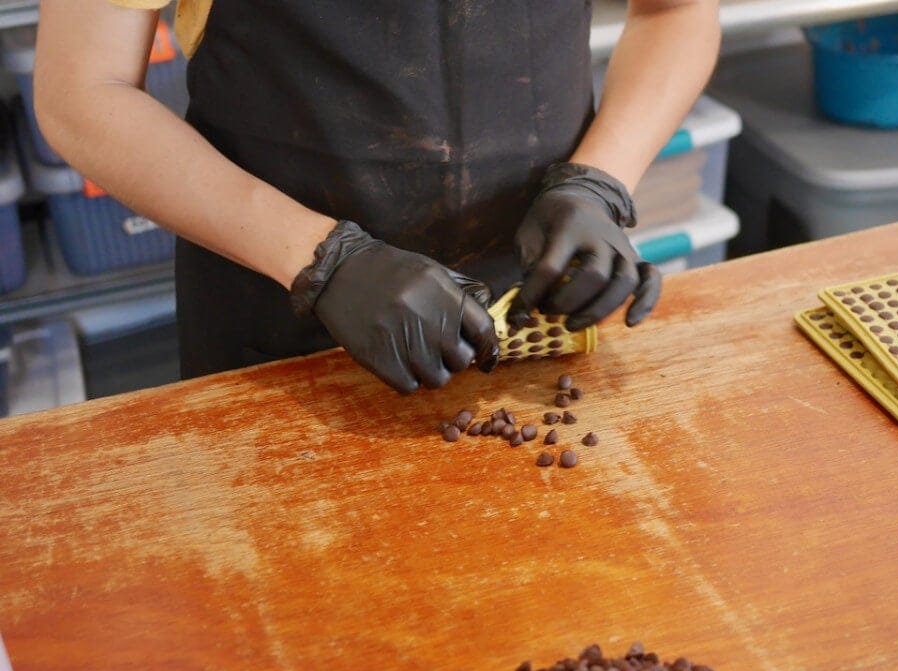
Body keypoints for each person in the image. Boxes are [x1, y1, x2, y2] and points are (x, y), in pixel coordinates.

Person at [33, 1, 720, 393]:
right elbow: (81, 91)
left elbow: (677, 12)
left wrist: (598, 181)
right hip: (282, 323)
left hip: (529, 318)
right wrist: (321, 261)